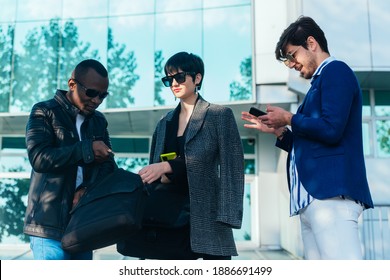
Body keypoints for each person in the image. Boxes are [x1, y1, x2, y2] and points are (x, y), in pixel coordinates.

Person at [241, 16, 373, 259]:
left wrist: (289, 119)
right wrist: (278, 130)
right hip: (311, 203)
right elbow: (312, 142)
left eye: (292, 55)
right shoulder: (317, 85)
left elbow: (332, 130)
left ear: (311, 43)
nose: (291, 64)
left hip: (331, 198)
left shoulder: (336, 71)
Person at [138, 51, 245, 260]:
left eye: (179, 77)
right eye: (169, 79)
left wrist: (228, 215)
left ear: (197, 78)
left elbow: (233, 168)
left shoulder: (219, 115)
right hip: (169, 217)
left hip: (208, 217)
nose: (174, 83)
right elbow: (154, 168)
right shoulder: (163, 123)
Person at [24, 59, 117, 260]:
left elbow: (109, 166)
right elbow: (39, 158)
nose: (97, 100)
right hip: (47, 228)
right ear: (72, 85)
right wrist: (87, 149)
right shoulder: (44, 111)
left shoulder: (99, 121)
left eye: (103, 95)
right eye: (91, 93)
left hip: (82, 226)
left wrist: (86, 189)